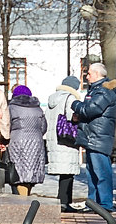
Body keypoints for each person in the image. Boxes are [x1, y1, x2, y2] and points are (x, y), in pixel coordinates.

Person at [72, 62, 116, 211]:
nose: (87, 76)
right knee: (92, 174)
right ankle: (93, 203)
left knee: (101, 173)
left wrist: (75, 105)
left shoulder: (104, 91)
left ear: (98, 74)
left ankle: (105, 204)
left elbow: (91, 109)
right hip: (92, 137)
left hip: (98, 137)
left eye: (89, 74)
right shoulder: (96, 90)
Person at [46, 76, 83, 213]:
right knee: (68, 172)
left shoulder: (52, 98)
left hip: (54, 138)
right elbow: (72, 116)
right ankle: (64, 202)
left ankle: (62, 201)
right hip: (66, 139)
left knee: (64, 172)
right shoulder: (70, 98)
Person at [6, 84, 47, 197]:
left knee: (18, 173)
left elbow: (7, 125)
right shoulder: (38, 108)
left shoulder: (12, 108)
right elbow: (43, 127)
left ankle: (22, 201)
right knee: (30, 173)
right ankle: (26, 197)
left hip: (17, 141)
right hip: (36, 142)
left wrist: (5, 138)